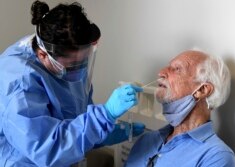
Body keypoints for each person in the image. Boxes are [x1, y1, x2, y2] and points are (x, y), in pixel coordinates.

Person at [0, 1, 144, 166]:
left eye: (82, 62)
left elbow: (74, 120)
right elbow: (48, 149)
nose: (78, 72)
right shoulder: (19, 82)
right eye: (71, 66)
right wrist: (105, 115)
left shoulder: (69, 60)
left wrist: (102, 133)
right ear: (43, 55)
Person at [125, 50, 235, 167]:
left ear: (202, 90)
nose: (161, 72)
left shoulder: (216, 157)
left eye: (177, 69)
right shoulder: (145, 141)